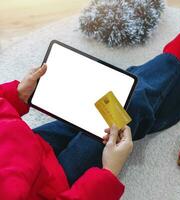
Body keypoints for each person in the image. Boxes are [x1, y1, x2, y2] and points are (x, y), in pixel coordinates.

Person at [0, 8, 180, 199]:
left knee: (107, 94)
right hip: (53, 182)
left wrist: (14, 96)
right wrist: (108, 173)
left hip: (27, 141)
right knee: (125, 112)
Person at [0, 65, 132, 199]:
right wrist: (108, 174)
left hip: (24, 140)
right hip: (52, 188)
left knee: (117, 90)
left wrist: (16, 95)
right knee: (130, 105)